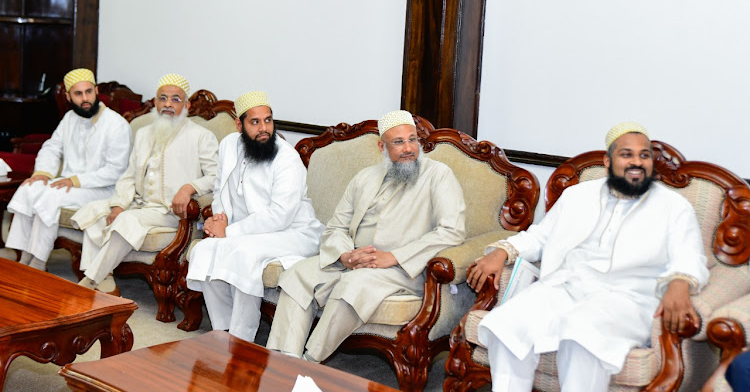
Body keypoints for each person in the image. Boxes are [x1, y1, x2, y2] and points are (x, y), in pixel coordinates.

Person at [467, 122, 710, 391]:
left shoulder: (673, 206)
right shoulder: (576, 195)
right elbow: (540, 236)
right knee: (507, 325)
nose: (637, 162)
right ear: (607, 161)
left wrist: (680, 283)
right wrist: (503, 251)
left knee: (581, 336)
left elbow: (689, 256)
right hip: (565, 287)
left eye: (644, 156)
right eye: (626, 154)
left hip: (627, 299)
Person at [266, 110, 466, 362]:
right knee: (298, 274)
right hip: (354, 260)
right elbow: (336, 227)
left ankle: (309, 363)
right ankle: (283, 361)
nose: (408, 149)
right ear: (381, 146)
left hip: (402, 269)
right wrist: (346, 256)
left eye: (412, 140)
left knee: (352, 286)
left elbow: (452, 230)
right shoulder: (365, 177)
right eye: (398, 142)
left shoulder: (438, 175)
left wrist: (392, 257)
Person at [185, 90, 324, 342]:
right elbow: (220, 188)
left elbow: (280, 215)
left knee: (244, 254)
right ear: (239, 125)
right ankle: (223, 329)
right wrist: (220, 218)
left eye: (268, 120)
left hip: (293, 232)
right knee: (204, 250)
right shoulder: (228, 145)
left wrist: (229, 232)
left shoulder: (287, 158)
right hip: (244, 231)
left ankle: (242, 338)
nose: (264, 129)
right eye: (255, 122)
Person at [71, 73, 218, 295]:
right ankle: (106, 281)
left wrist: (189, 188)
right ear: (156, 102)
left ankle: (90, 281)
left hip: (170, 211)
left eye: (175, 99)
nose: (168, 104)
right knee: (95, 211)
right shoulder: (143, 133)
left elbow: (216, 176)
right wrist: (119, 204)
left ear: (187, 105)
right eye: (163, 98)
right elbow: (129, 175)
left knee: (127, 220)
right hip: (141, 204)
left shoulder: (201, 136)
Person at [6, 68, 131, 270]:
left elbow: (115, 171)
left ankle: (37, 262)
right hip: (70, 184)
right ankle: (23, 257)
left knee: (51, 197)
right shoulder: (70, 118)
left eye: (89, 92)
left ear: (97, 91)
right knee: (29, 188)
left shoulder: (116, 124)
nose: (85, 99)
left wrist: (74, 181)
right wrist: (42, 174)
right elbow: (51, 148)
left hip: (103, 188)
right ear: (68, 96)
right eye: (78, 94)